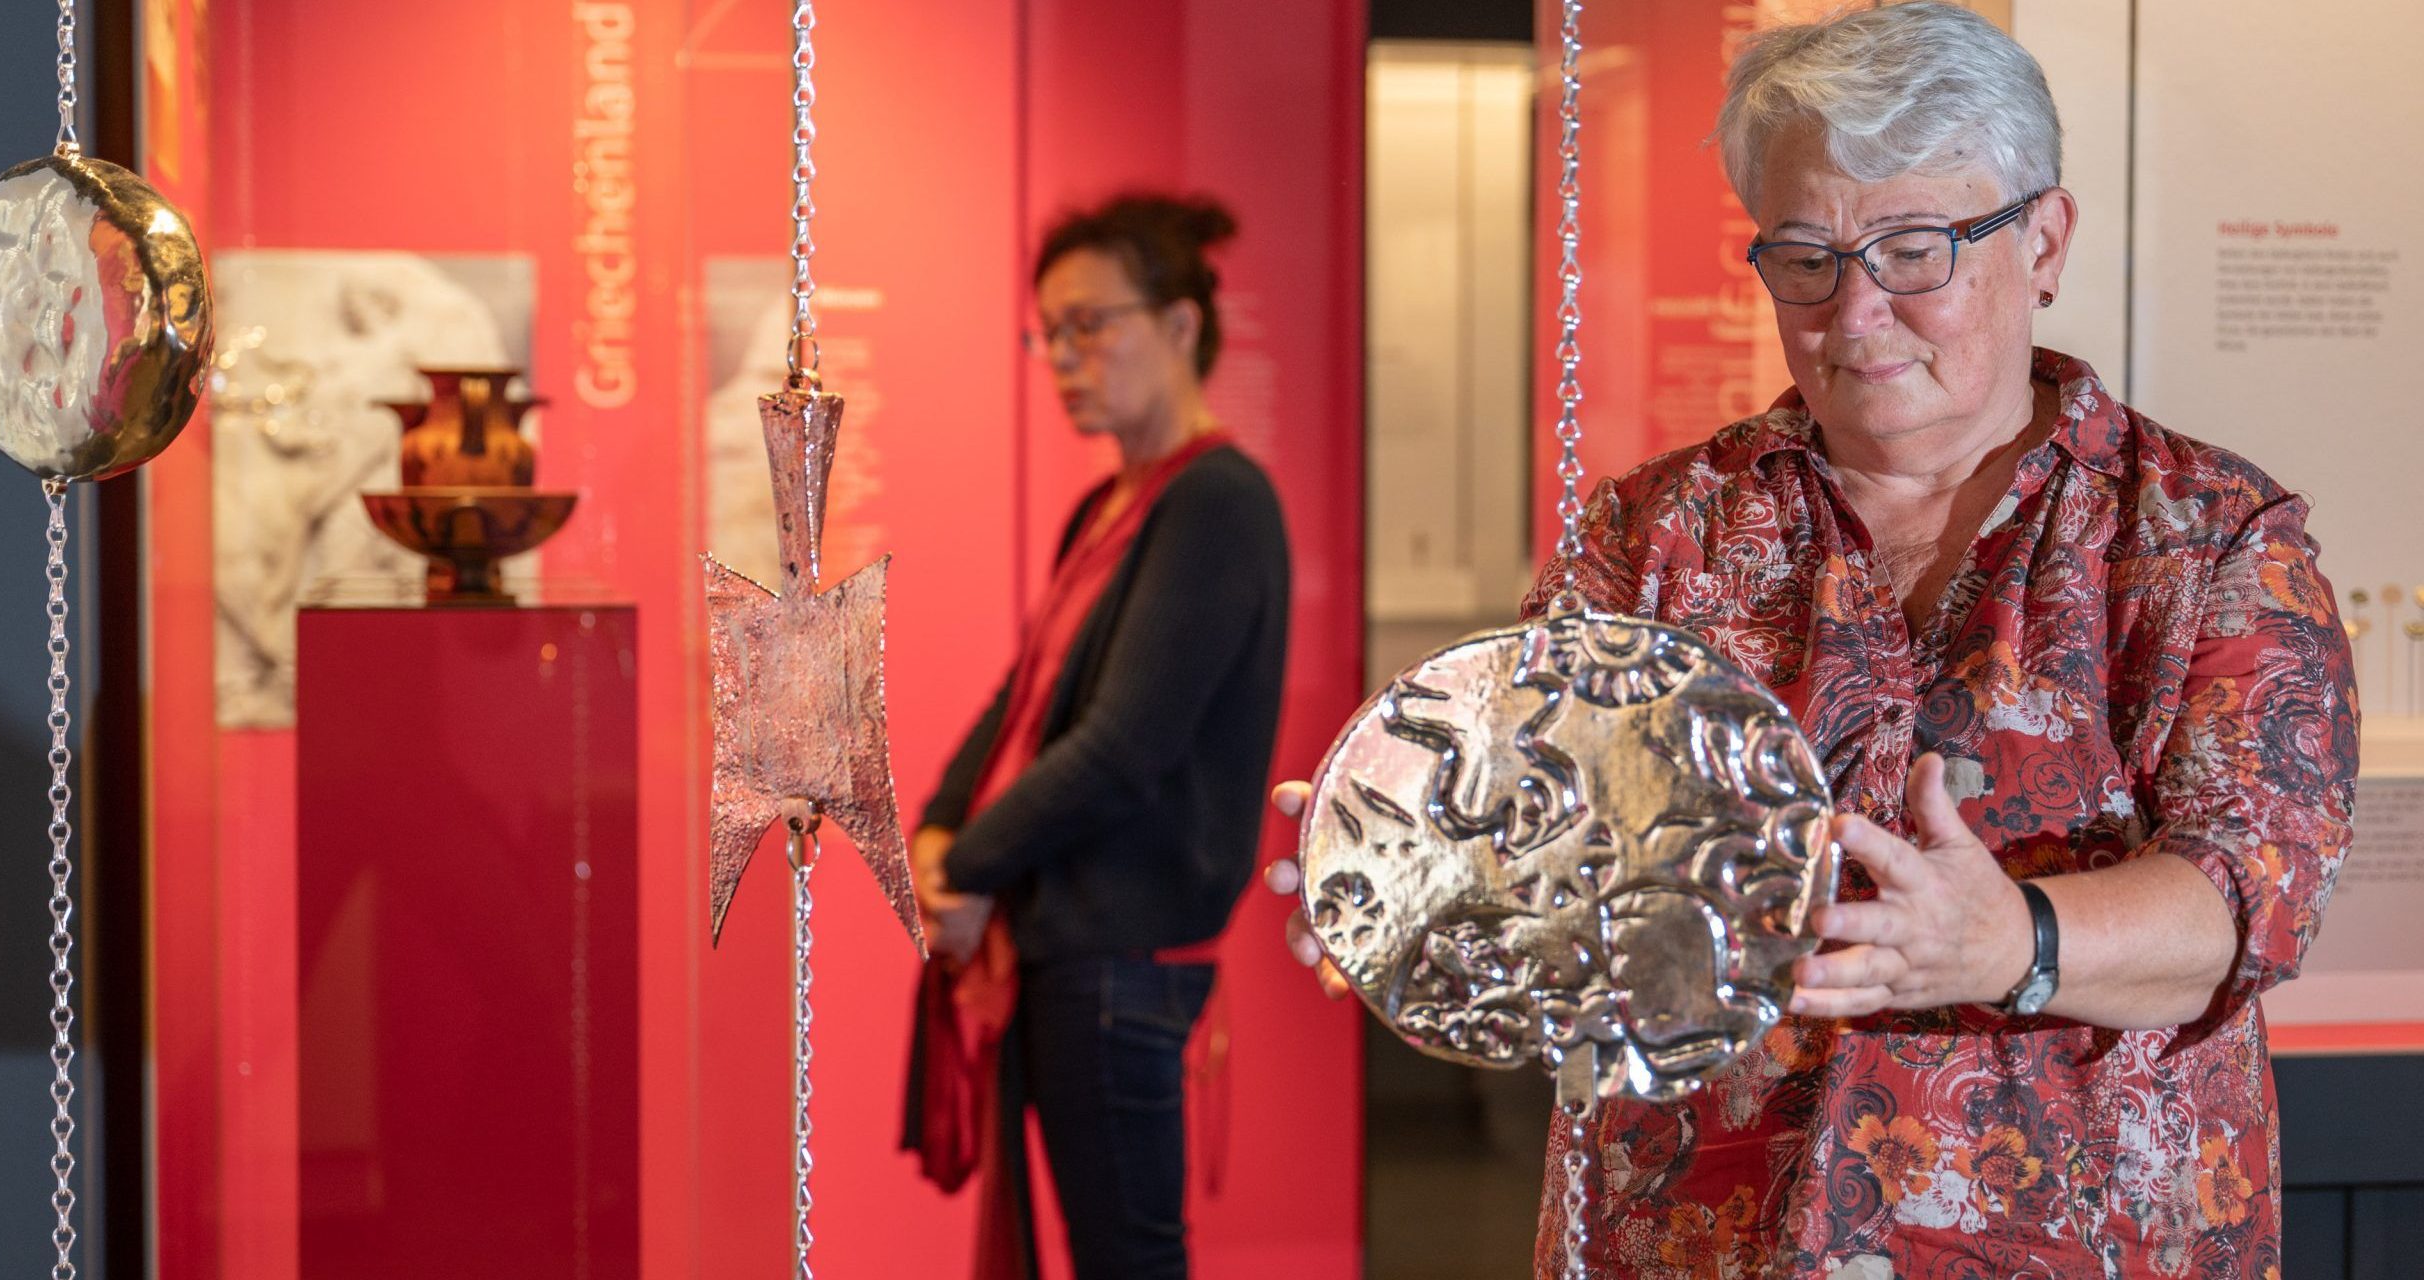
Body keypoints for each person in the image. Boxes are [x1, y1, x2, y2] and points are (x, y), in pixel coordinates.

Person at [1273, 6, 2353, 1276]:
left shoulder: (2204, 537)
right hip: (1696, 1239)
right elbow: (1553, 834)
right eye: (1804, 258)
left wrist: (2013, 939)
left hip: (2082, 1237)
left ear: (2043, 241)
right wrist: (1421, 879)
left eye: (1913, 250)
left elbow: (2245, 896)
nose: (1855, 311)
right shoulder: (1655, 533)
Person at [906, 193, 1292, 1279]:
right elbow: (1022, 697)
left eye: (1090, 324)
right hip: (1071, 950)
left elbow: (1125, 744)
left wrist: (967, 864)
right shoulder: (1110, 506)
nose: (1066, 357)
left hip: (1124, 957)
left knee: (1127, 1259)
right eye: (1051, 333)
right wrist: (936, 832)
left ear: (1180, 324)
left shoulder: (1217, 501)